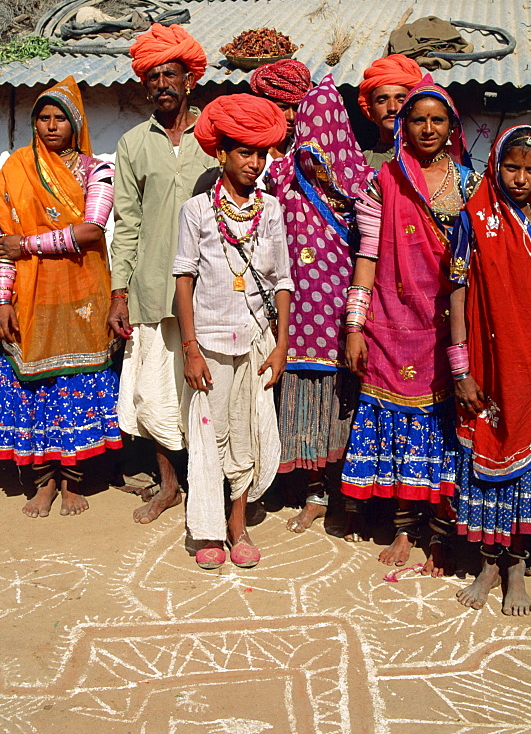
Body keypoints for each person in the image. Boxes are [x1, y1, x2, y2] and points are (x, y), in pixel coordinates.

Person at [342, 77, 479, 575]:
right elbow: (368, 253)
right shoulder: (384, 181)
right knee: (401, 427)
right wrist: (355, 326)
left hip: (451, 324)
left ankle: (440, 534)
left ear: (451, 127)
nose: (426, 128)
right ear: (403, 125)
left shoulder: (470, 184)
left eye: (436, 120)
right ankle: (404, 527)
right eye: (417, 119)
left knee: (446, 429)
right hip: (393, 320)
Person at [0, 78, 120, 516]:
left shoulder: (98, 170)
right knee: (34, 386)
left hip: (81, 294)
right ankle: (43, 480)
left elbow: (91, 230)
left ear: (76, 124)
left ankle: (73, 481)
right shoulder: (15, 170)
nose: (51, 125)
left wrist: (30, 246)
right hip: (28, 296)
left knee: (73, 383)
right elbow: (5, 242)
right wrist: (2, 300)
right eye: (43, 117)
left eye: (60, 118)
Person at [448, 127, 531, 614]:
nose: (520, 178)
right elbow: (457, 293)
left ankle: (517, 569)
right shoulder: (473, 220)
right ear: (495, 167)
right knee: (488, 459)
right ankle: (487, 564)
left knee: (529, 463)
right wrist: (460, 367)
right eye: (511, 167)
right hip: (486, 360)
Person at [174, 94, 293, 569]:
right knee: (209, 435)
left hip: (257, 343)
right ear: (221, 154)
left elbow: (283, 280)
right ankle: (205, 528)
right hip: (210, 342)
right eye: (244, 151)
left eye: (261, 153)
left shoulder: (271, 211)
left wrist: (281, 345)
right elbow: (183, 280)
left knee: (246, 435)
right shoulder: (197, 211)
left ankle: (237, 525)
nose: (255, 163)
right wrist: (190, 350)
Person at [108, 23, 217, 524]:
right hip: (152, 286)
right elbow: (126, 222)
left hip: (209, 287)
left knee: (203, 388)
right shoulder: (132, 144)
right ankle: (169, 484)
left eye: (170, 74)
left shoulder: (215, 137)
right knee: (156, 390)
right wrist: (118, 292)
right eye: (152, 78)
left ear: (189, 79)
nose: (161, 85)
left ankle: (207, 484)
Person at [266, 75, 371, 535]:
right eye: (308, 134)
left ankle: (343, 495)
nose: (315, 147)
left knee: (340, 411)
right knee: (300, 406)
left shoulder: (361, 185)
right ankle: (312, 494)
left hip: (339, 321)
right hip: (294, 318)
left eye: (322, 134)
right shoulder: (280, 176)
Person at [357, 55, 424, 168]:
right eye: (382, 101)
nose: (392, 108)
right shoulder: (362, 164)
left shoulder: (432, 160)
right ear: (370, 111)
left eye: (401, 100)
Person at [248, 58, 314, 173]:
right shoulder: (248, 152)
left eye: (296, 108)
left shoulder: (303, 152)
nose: (291, 117)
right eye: (282, 108)